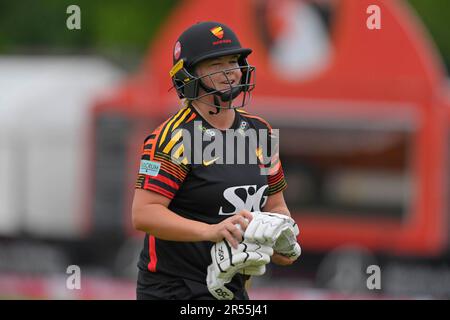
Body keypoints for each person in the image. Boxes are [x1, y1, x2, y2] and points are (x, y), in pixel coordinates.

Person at [132, 21, 295, 300]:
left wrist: (283, 238)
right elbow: (144, 214)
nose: (229, 72)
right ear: (188, 75)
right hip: (175, 290)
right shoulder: (174, 137)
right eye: (214, 64)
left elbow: (276, 205)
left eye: (232, 61)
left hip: (232, 289)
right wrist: (211, 231)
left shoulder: (261, 133)